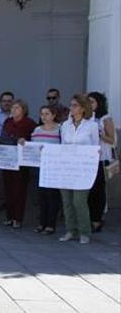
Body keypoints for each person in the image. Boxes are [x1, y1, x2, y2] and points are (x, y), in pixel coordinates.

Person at [58, 93, 100, 244]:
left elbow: (96, 147)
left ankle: (84, 231)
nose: (72, 108)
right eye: (71, 105)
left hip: (82, 170)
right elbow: (62, 145)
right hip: (67, 168)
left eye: (75, 105)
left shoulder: (92, 126)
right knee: (67, 200)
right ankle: (71, 230)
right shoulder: (65, 125)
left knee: (79, 201)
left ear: (83, 108)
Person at [24, 105, 62, 234]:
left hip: (54, 167)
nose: (44, 117)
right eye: (42, 114)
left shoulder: (60, 130)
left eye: (47, 114)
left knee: (52, 196)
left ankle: (51, 224)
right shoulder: (37, 130)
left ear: (53, 115)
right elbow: (32, 147)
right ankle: (42, 223)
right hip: (40, 167)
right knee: (41, 196)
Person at [0, 99, 37, 228]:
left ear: (23, 110)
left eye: (17, 108)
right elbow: (3, 137)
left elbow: (33, 141)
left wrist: (22, 140)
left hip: (21, 162)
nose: (14, 110)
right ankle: (9, 216)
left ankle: (18, 218)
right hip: (8, 159)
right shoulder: (8, 122)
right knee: (7, 188)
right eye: (13, 108)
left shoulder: (29, 123)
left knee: (19, 190)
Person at [87, 92, 114, 233]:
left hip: (101, 158)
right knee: (89, 190)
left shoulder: (105, 118)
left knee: (98, 190)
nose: (90, 105)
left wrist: (100, 134)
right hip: (88, 158)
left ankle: (97, 219)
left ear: (99, 103)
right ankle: (90, 217)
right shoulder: (87, 118)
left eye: (92, 102)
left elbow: (112, 140)